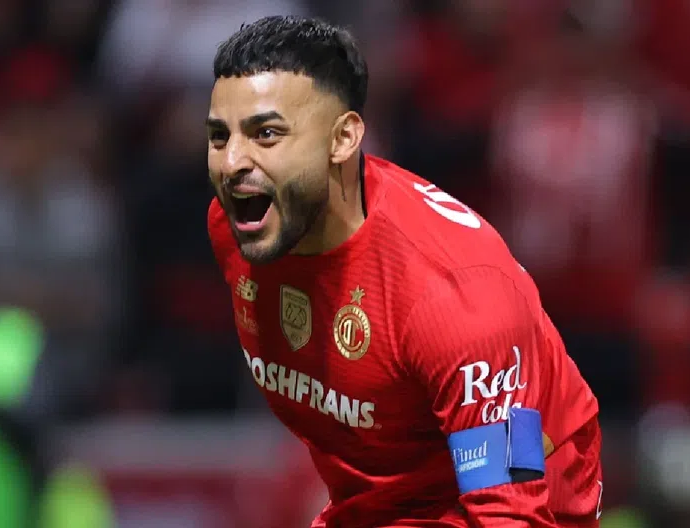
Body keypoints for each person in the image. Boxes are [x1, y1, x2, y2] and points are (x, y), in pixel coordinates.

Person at [206, 15, 602, 528]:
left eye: (266, 134)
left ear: (343, 139)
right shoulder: (239, 228)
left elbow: (509, 512)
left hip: (521, 496)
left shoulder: (455, 296)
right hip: (389, 496)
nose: (232, 162)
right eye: (220, 136)